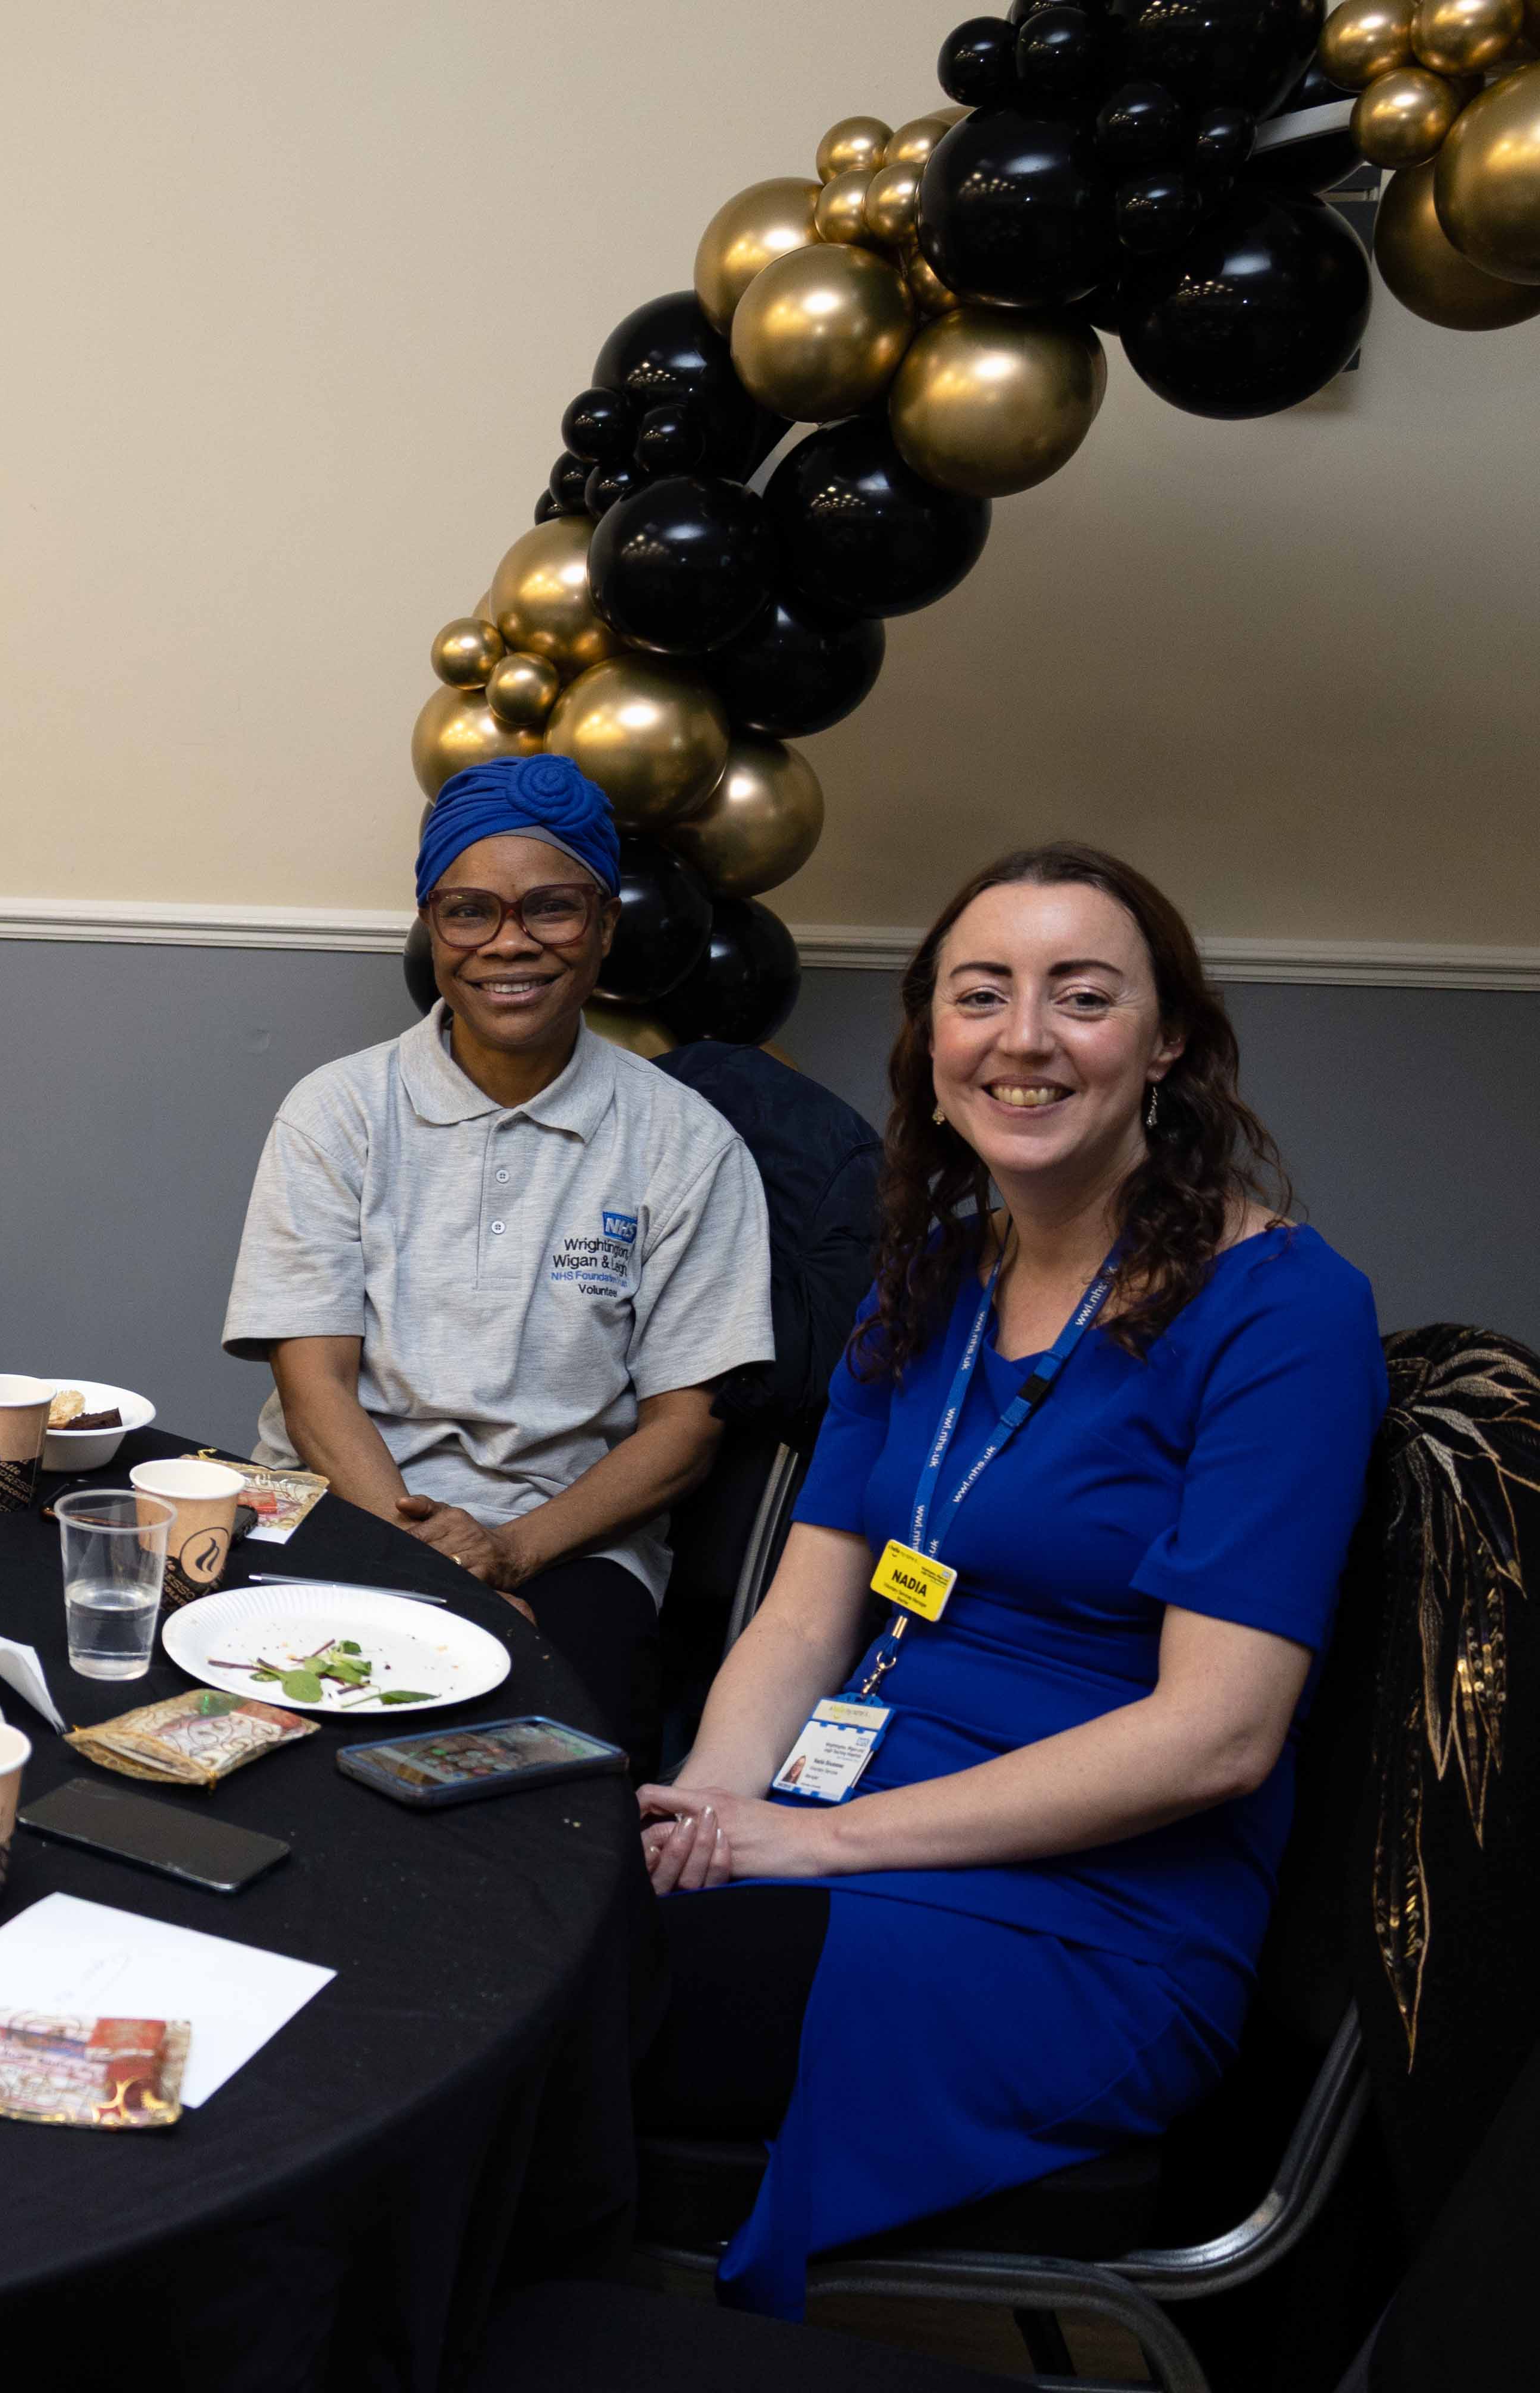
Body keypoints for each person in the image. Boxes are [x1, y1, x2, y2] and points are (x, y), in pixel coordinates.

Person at [631, 843, 1387, 2317]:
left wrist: (804, 1849)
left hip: (1080, 1923)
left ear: (1167, 1038)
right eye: (982, 995)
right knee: (523, 1917)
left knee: (546, 2007)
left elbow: (1216, 1735)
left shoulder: (1286, 1312)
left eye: (1082, 995)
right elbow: (805, 1610)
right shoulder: (933, 1276)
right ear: (933, 1044)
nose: (1024, 1036)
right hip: (833, 1829)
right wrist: (712, 1807)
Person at [220, 754, 774, 1752]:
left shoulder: (686, 1145)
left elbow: (684, 1431)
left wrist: (509, 1555)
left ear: (605, 925)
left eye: (551, 909)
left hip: (570, 1545)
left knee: (537, 1776)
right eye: (469, 911)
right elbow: (315, 1390)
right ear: (433, 927)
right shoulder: (338, 1113)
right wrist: (430, 1569)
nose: (508, 944)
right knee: (261, 1741)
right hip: (335, 1510)